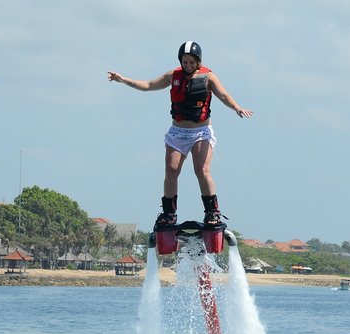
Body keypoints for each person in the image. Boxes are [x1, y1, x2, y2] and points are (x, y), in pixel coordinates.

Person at [108, 41, 253, 230]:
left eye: (192, 62)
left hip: (201, 132)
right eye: (185, 62)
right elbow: (148, 85)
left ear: (198, 61)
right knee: (171, 171)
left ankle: (212, 212)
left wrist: (237, 108)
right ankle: (169, 214)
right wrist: (123, 80)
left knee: (202, 170)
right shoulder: (173, 75)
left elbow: (224, 96)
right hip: (177, 132)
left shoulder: (209, 77)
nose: (188, 65)